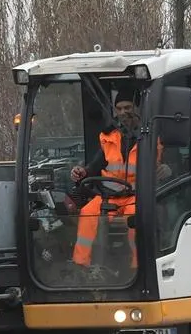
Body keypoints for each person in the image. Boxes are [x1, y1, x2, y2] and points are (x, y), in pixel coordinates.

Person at [69, 91, 170, 267]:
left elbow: (171, 164)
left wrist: (168, 169)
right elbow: (95, 164)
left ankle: (139, 268)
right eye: (119, 109)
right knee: (88, 212)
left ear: (138, 108)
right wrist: (82, 172)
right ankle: (81, 265)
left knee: (136, 218)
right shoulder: (109, 137)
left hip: (137, 196)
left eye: (128, 108)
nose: (123, 112)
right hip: (109, 197)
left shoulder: (152, 136)